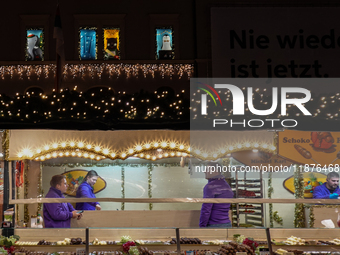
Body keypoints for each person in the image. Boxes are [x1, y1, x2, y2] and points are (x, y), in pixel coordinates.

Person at [199, 162, 234, 228]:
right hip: (227, 224)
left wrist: (202, 226)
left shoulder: (210, 186)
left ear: (215, 171)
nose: (205, 171)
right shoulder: (227, 186)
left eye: (207, 169)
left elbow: (206, 209)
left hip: (214, 225)